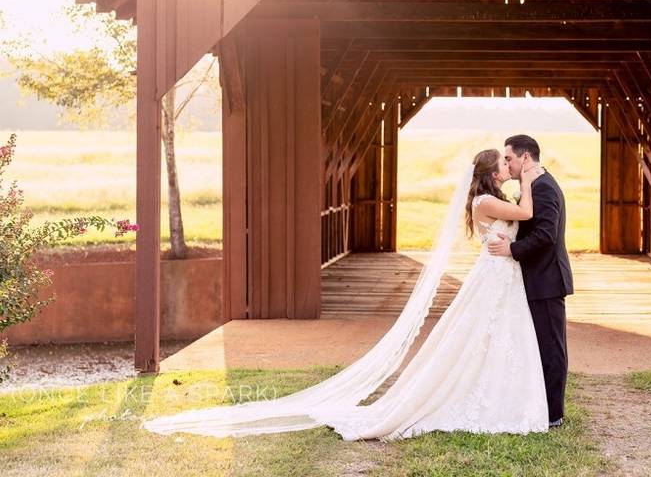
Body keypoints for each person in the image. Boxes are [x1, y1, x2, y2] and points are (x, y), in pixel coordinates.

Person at [141, 148, 552, 440]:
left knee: (494, 339)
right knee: (481, 337)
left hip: (503, 277)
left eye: (509, 161)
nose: (509, 165)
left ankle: (499, 395)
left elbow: (516, 220)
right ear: (491, 171)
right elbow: (528, 214)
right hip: (494, 278)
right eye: (504, 162)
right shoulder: (485, 200)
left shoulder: (494, 197)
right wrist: (532, 180)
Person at [488, 134, 573, 427]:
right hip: (535, 278)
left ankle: (553, 415)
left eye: (509, 158)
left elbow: (546, 236)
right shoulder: (534, 185)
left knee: (551, 348)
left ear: (526, 158)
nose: (507, 164)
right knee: (535, 346)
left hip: (547, 280)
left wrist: (512, 249)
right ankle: (537, 407)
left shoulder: (545, 188)